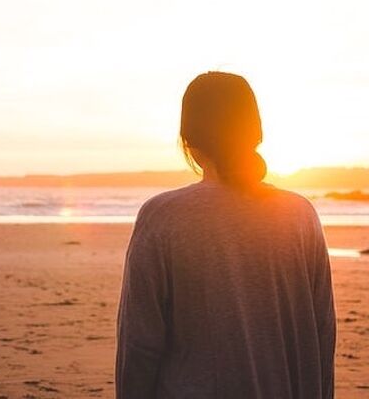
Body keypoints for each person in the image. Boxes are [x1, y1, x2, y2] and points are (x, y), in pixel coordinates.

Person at [115, 71, 336, 399]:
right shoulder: (300, 215)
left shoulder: (162, 217)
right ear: (255, 133)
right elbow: (322, 338)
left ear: (188, 139)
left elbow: (139, 345)